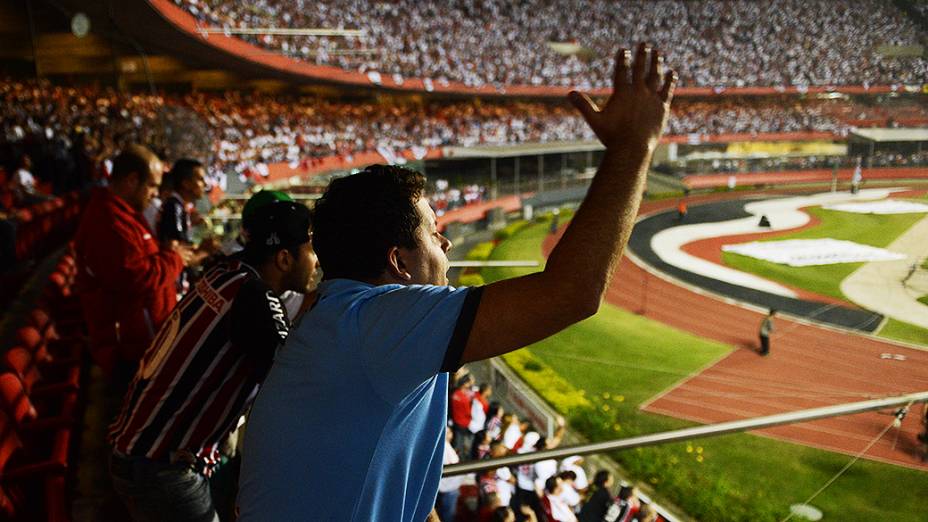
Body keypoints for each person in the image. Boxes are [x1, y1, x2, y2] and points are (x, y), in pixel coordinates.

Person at [238, 42, 676, 521]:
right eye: (434, 232)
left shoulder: (337, 319)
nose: (446, 247)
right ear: (398, 262)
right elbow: (571, 292)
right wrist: (634, 147)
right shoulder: (378, 323)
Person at [107, 198, 318, 522]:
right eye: (311, 249)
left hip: (139, 452)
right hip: (160, 466)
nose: (316, 261)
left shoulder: (227, 271)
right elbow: (296, 384)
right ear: (285, 259)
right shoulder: (256, 298)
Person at [74, 145, 192, 384]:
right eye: (152, 185)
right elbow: (137, 279)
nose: (155, 194)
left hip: (142, 342)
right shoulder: (109, 223)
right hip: (130, 351)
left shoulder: (122, 215)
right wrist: (175, 258)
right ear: (131, 180)